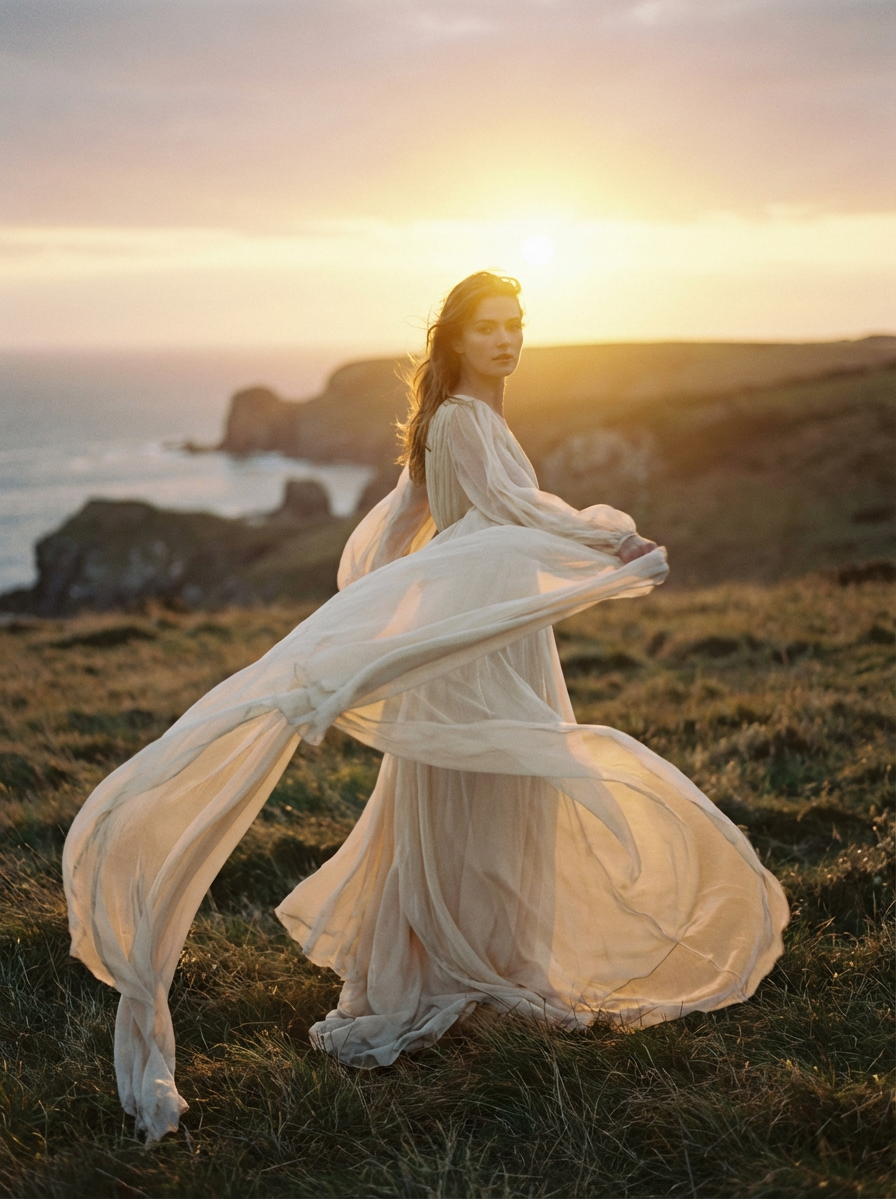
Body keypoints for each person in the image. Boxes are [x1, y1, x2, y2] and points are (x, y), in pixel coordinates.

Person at [63, 271, 789, 1143]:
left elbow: (402, 529)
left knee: (494, 793)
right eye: (489, 327)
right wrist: (608, 540)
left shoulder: (467, 420)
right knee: (486, 790)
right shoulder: (458, 420)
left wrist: (393, 611)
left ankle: (480, 964)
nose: (508, 340)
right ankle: (463, 971)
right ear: (454, 338)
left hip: (487, 632)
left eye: (517, 324)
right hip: (477, 639)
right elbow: (513, 508)